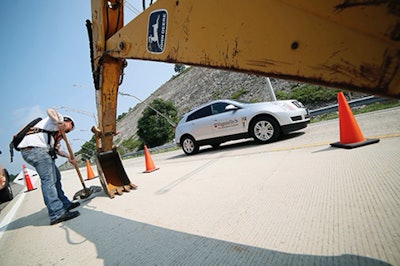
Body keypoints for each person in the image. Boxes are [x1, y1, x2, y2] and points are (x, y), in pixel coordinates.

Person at [18, 108, 80, 225]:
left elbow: (57, 151)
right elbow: (50, 110)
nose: (67, 132)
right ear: (68, 121)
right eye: (68, 129)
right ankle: (57, 213)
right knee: (49, 180)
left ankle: (65, 204)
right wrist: (58, 121)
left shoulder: (52, 136)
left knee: (56, 176)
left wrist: (69, 158)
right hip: (35, 150)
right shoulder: (57, 120)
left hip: (37, 151)